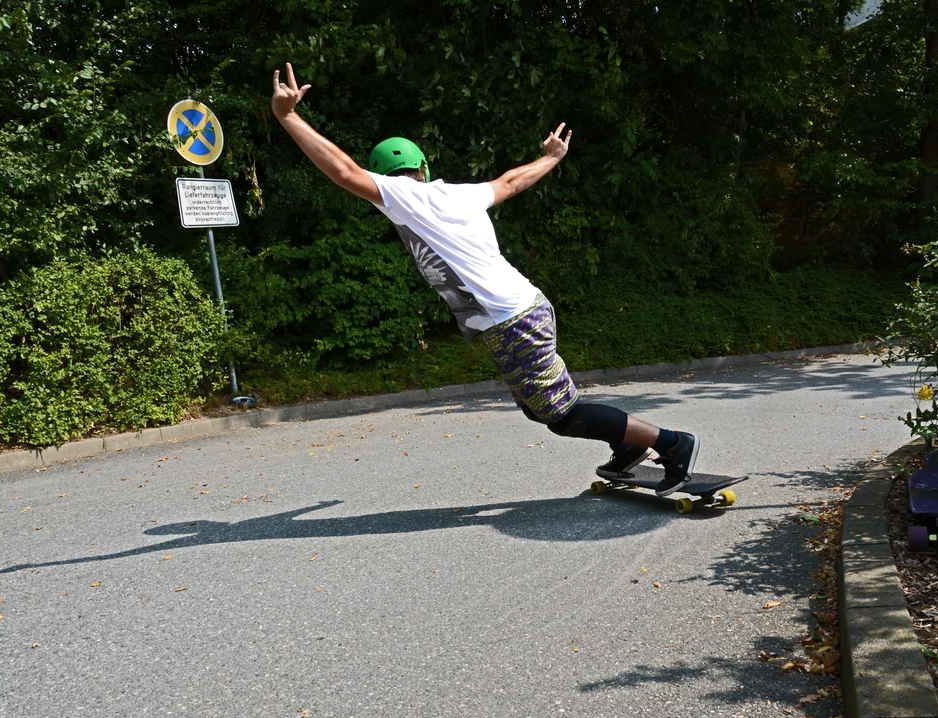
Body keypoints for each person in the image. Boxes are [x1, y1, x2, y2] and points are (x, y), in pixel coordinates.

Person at [271, 63, 700, 494]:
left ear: (385, 176)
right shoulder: (457, 193)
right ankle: (627, 448)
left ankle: (673, 443)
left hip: (513, 318)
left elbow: (343, 172)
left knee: (563, 417)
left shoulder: (403, 196)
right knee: (542, 411)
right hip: (518, 313)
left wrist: (289, 116)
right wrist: (550, 157)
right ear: (423, 165)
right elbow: (511, 182)